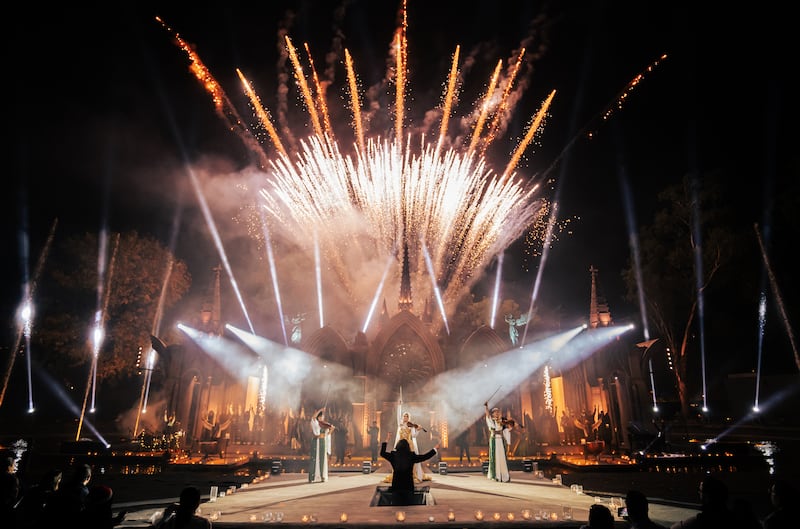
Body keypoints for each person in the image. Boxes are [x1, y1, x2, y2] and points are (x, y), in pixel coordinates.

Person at [380, 432, 438, 506]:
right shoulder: (411, 456)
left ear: (397, 446)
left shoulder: (393, 455)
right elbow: (425, 457)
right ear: (408, 447)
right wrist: (434, 449)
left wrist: (387, 439)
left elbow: (382, 453)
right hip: (408, 485)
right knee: (409, 505)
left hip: (396, 485)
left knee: (396, 505)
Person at [670, 475, 736, 528]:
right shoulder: (732, 517)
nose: (699, 493)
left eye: (700, 491)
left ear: (706, 496)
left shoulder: (700, 520)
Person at [484, 402, 512, 482]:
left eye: (498, 412)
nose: (497, 413)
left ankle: (504, 475)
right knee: (495, 457)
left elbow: (505, 430)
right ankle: (496, 475)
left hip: (500, 441)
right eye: (495, 412)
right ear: (493, 414)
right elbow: (487, 415)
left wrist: (509, 429)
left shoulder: (501, 421)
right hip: (494, 440)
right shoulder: (491, 421)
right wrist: (486, 407)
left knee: (502, 457)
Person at [308, 407, 334, 482]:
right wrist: (320, 410)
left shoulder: (324, 425)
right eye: (321, 417)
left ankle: (322, 476)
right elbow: (313, 417)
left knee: (322, 459)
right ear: (318, 417)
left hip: (322, 442)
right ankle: (313, 477)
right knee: (315, 458)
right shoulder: (315, 423)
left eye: (323, 417)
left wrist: (332, 430)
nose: (322, 418)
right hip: (316, 442)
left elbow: (327, 435)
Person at [1, 456, 20, 527]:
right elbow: (14, 495)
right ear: (9, 467)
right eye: (14, 465)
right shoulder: (13, 478)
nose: (15, 468)